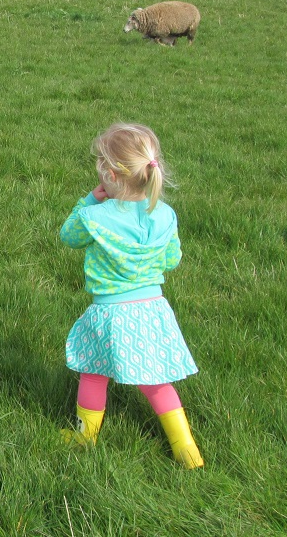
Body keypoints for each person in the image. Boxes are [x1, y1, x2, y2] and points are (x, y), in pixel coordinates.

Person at [60, 122, 203, 469]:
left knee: (94, 373)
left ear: (109, 174)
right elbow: (173, 259)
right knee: (156, 381)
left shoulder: (95, 217)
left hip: (109, 313)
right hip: (152, 310)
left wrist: (89, 200)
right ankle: (186, 448)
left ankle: (84, 437)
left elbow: (69, 235)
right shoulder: (165, 215)